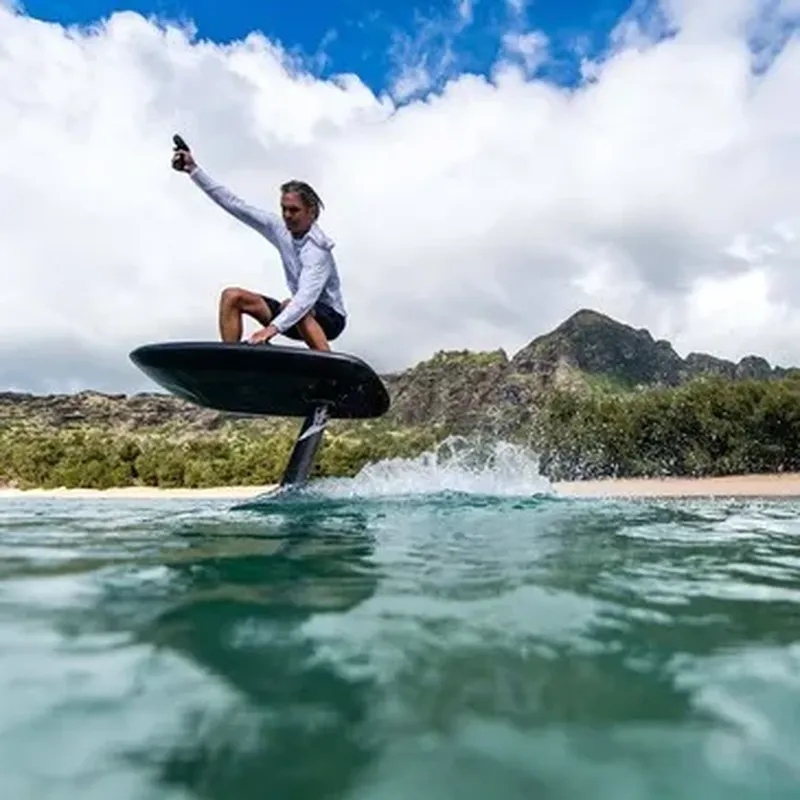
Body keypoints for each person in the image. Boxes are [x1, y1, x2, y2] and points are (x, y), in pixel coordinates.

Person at [171, 139, 347, 351]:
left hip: (329, 319)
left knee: (293, 305)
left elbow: (304, 300)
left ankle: (328, 370)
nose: (287, 216)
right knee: (232, 296)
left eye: (294, 210)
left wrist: (270, 330)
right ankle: (232, 366)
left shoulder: (318, 250)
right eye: (284, 209)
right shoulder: (278, 227)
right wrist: (193, 170)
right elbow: (235, 205)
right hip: (291, 316)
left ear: (311, 212)